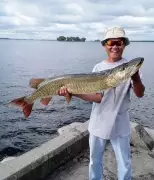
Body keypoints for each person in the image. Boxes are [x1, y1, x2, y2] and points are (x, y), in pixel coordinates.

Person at [58, 26, 145, 180]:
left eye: (119, 42)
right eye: (111, 42)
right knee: (94, 161)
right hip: (99, 121)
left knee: (124, 163)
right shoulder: (98, 67)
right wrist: (73, 92)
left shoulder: (129, 68)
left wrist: (136, 78)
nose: (115, 46)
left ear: (124, 44)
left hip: (120, 122)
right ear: (105, 45)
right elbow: (97, 97)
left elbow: (140, 94)